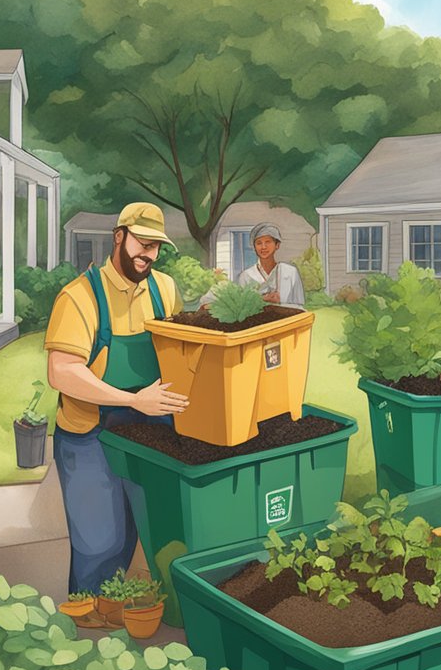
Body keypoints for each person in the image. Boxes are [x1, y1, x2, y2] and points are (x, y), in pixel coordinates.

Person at [45, 203, 189, 594]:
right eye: (142, 244)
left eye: (156, 247)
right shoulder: (79, 297)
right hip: (89, 433)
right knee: (100, 543)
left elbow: (177, 351)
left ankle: (124, 611)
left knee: (153, 534)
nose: (149, 255)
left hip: (150, 428)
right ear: (119, 237)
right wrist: (132, 400)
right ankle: (87, 625)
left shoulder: (164, 289)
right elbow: (61, 371)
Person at [199, 222, 305, 309]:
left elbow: (299, 305)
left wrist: (280, 303)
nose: (263, 247)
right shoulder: (246, 276)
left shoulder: (290, 272)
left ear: (277, 245)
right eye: (259, 243)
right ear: (254, 247)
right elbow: (243, 307)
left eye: (268, 242)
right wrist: (262, 299)